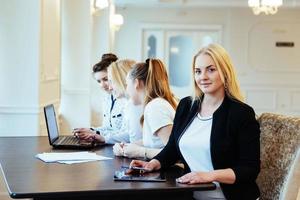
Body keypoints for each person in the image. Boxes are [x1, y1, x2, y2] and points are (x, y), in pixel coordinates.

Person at [130, 44, 261, 200]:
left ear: (225, 72)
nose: (203, 77)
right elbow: (172, 147)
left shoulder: (241, 113)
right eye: (198, 71)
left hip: (229, 196)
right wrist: (154, 163)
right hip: (190, 194)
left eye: (211, 70)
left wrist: (207, 176)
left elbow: (249, 169)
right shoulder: (186, 105)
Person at [113, 59, 178, 159]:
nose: (126, 90)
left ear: (136, 83)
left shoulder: (155, 107)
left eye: (127, 85)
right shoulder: (153, 105)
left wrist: (140, 152)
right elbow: (153, 141)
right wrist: (127, 147)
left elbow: (175, 153)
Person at [73, 54, 127, 143]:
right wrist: (89, 130)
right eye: (99, 81)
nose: (102, 85)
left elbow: (126, 134)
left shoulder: (126, 100)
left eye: (105, 79)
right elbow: (109, 127)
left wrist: (96, 133)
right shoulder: (107, 98)